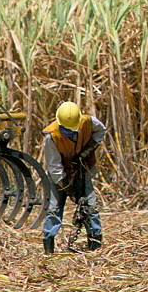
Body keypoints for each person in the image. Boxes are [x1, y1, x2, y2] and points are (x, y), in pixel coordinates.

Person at [41, 101, 106, 255]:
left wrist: (87, 151)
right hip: (60, 176)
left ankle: (95, 243)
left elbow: (100, 132)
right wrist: (70, 191)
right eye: (65, 129)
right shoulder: (52, 136)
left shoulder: (88, 122)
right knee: (54, 209)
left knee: (90, 207)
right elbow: (55, 168)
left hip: (83, 170)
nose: (68, 132)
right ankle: (49, 247)